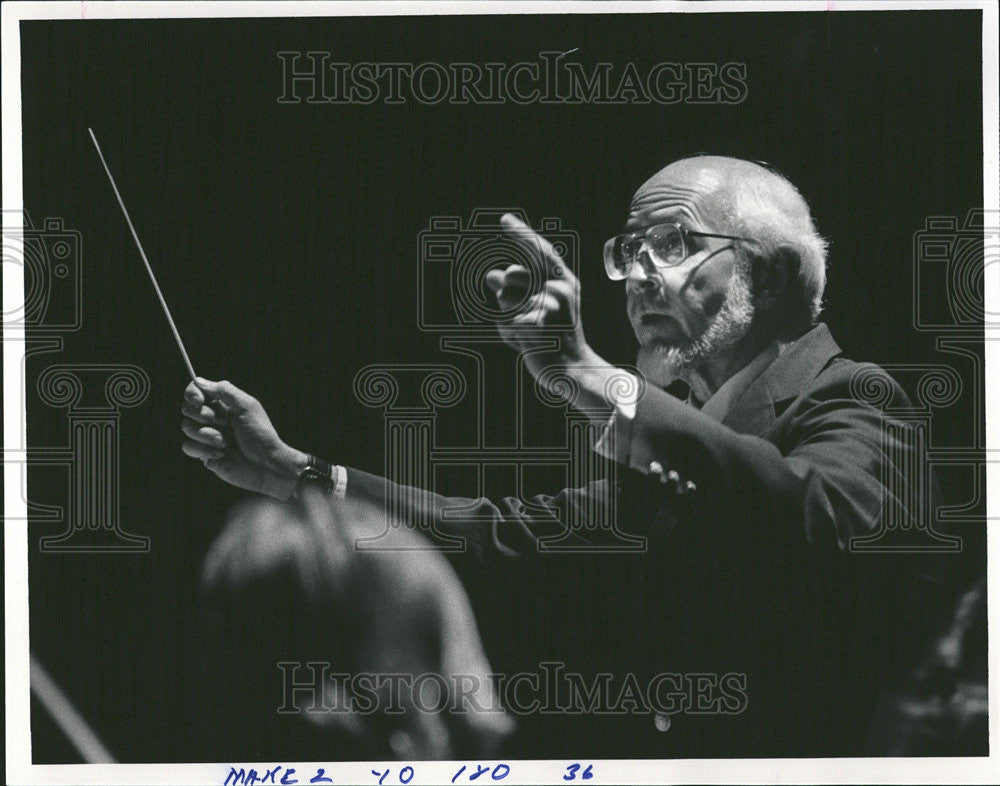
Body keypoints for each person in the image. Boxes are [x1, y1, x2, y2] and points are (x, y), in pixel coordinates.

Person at [181, 156, 941, 757]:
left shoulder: (860, 400)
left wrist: (586, 372)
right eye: (629, 251)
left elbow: (806, 518)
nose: (639, 274)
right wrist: (300, 474)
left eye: (672, 244)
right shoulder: (669, 447)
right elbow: (496, 533)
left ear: (766, 275)